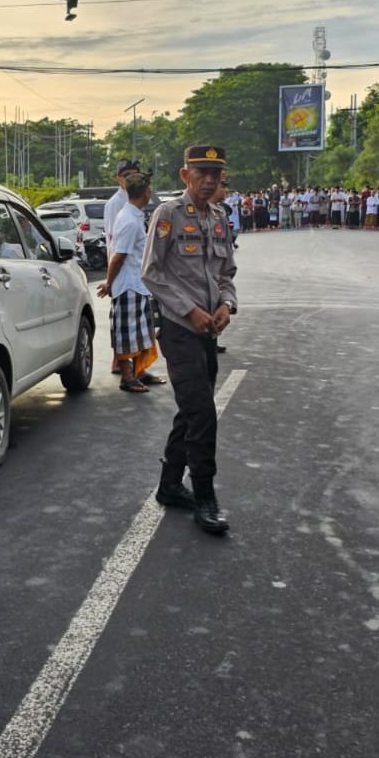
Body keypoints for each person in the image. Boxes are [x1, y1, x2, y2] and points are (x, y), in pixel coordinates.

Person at [142, 145, 238, 535]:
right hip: (180, 332)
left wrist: (226, 306)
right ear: (186, 175)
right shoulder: (168, 215)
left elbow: (227, 272)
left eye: (216, 173)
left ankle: (168, 485)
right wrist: (189, 310)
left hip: (207, 333)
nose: (210, 180)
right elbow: (151, 272)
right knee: (201, 413)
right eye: (202, 173)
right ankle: (204, 496)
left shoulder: (219, 218)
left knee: (191, 409)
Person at [98, 171, 165, 393]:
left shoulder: (133, 215)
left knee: (141, 332)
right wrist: (108, 283)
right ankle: (128, 378)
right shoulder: (129, 221)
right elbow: (118, 256)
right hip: (127, 285)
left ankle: (140, 372)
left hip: (137, 284)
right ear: (144, 192)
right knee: (127, 334)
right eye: (149, 188)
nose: (151, 192)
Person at [103, 159, 142, 252]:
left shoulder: (139, 199)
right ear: (119, 178)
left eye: (135, 175)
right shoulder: (115, 203)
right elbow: (112, 240)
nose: (132, 179)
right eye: (127, 175)